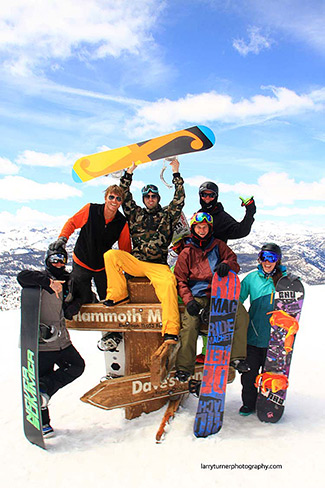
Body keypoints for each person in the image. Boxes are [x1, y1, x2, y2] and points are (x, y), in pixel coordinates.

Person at [103, 159, 185, 340]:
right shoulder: (135, 213)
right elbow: (124, 193)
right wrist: (129, 172)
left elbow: (179, 199)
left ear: (157, 198)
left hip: (157, 265)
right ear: (143, 199)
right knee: (111, 255)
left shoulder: (168, 215)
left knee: (169, 284)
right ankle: (118, 295)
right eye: (147, 196)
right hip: (137, 262)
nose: (150, 199)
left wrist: (176, 173)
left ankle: (171, 330)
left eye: (153, 196)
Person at [173, 212, 249, 382]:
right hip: (198, 296)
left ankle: (237, 357)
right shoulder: (187, 252)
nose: (202, 230)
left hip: (220, 293)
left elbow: (233, 261)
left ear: (209, 228)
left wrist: (226, 264)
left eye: (205, 227)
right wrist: (189, 300)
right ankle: (184, 368)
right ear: (194, 228)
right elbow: (180, 280)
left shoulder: (218, 245)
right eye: (199, 227)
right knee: (190, 324)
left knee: (241, 315)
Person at [17, 247, 85, 436]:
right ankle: (43, 422)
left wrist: (75, 305)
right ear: (47, 260)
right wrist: (48, 283)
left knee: (77, 366)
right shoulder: (40, 280)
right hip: (43, 342)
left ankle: (42, 389)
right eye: (54, 259)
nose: (58, 263)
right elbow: (22, 276)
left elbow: (82, 295)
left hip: (62, 340)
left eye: (62, 259)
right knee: (44, 374)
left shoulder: (69, 281)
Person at [196, 181, 257, 363]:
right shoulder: (199, 216)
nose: (207, 198)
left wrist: (250, 212)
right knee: (202, 314)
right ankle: (207, 351)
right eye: (204, 195)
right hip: (199, 271)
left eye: (211, 195)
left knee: (223, 311)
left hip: (218, 271)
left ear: (216, 196)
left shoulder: (221, 217)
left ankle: (229, 353)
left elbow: (241, 230)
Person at [49, 185, 131, 312]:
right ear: (105, 198)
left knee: (108, 300)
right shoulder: (90, 210)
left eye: (118, 199)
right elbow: (72, 223)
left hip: (103, 267)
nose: (114, 201)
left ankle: (109, 331)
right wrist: (63, 238)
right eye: (111, 197)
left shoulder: (121, 222)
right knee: (81, 298)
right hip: (82, 262)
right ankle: (90, 298)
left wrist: (128, 269)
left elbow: (125, 248)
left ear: (121, 202)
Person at [238, 243, 286, 416]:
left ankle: (267, 403)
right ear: (260, 258)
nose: (268, 262)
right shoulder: (251, 278)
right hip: (252, 338)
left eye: (272, 258)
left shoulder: (285, 281)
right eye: (264, 257)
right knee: (249, 376)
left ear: (278, 261)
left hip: (274, 341)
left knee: (270, 376)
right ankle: (249, 404)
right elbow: (239, 300)